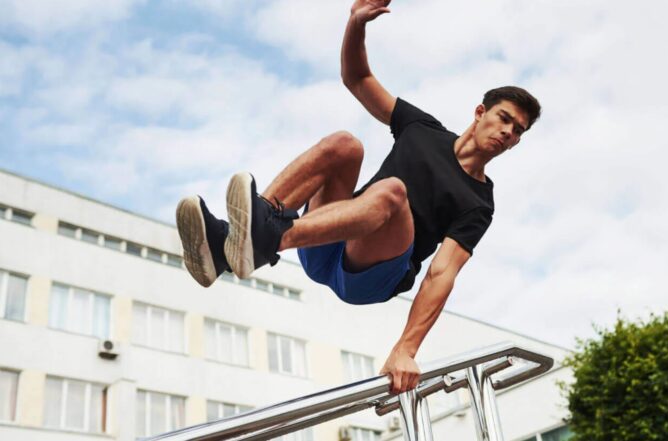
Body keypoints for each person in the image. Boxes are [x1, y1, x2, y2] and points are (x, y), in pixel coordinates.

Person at [175, 0, 541, 395]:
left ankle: (265, 239)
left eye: (518, 131)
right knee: (344, 145)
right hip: (325, 242)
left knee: (392, 193)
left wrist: (406, 348)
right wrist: (355, 24)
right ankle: (231, 247)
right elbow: (358, 78)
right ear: (480, 112)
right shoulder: (422, 128)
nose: (509, 133)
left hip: (371, 277)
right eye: (504, 119)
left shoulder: (479, 203)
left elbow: (441, 274)